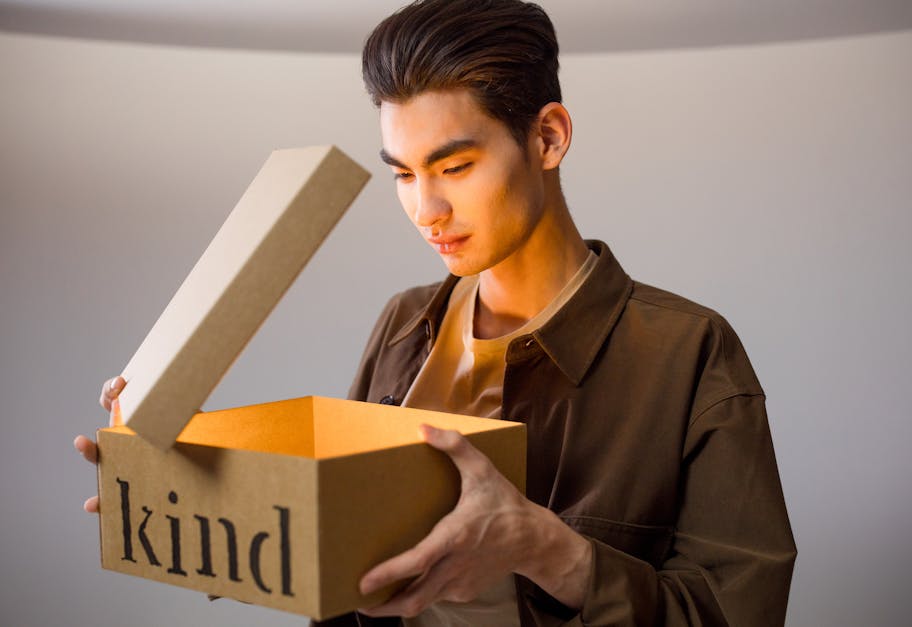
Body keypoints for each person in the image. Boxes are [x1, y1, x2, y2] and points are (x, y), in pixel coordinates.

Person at [76, 1, 797, 625]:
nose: (427, 210)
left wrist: (549, 549)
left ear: (547, 137)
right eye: (403, 174)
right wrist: (199, 517)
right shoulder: (402, 325)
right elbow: (338, 560)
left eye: (454, 167)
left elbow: (738, 614)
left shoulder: (692, 354)